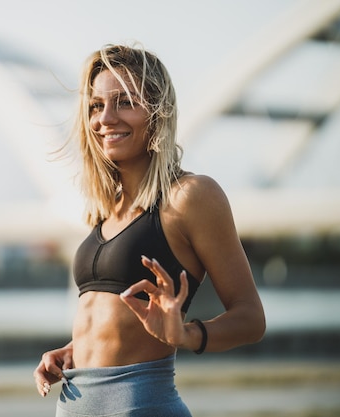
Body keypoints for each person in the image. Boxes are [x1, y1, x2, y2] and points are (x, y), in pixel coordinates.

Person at [33, 43, 266, 417]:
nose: (105, 118)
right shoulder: (106, 209)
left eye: (124, 102)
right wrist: (75, 350)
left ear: (158, 112)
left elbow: (251, 319)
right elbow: (117, 324)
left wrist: (186, 334)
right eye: (96, 105)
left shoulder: (191, 196)